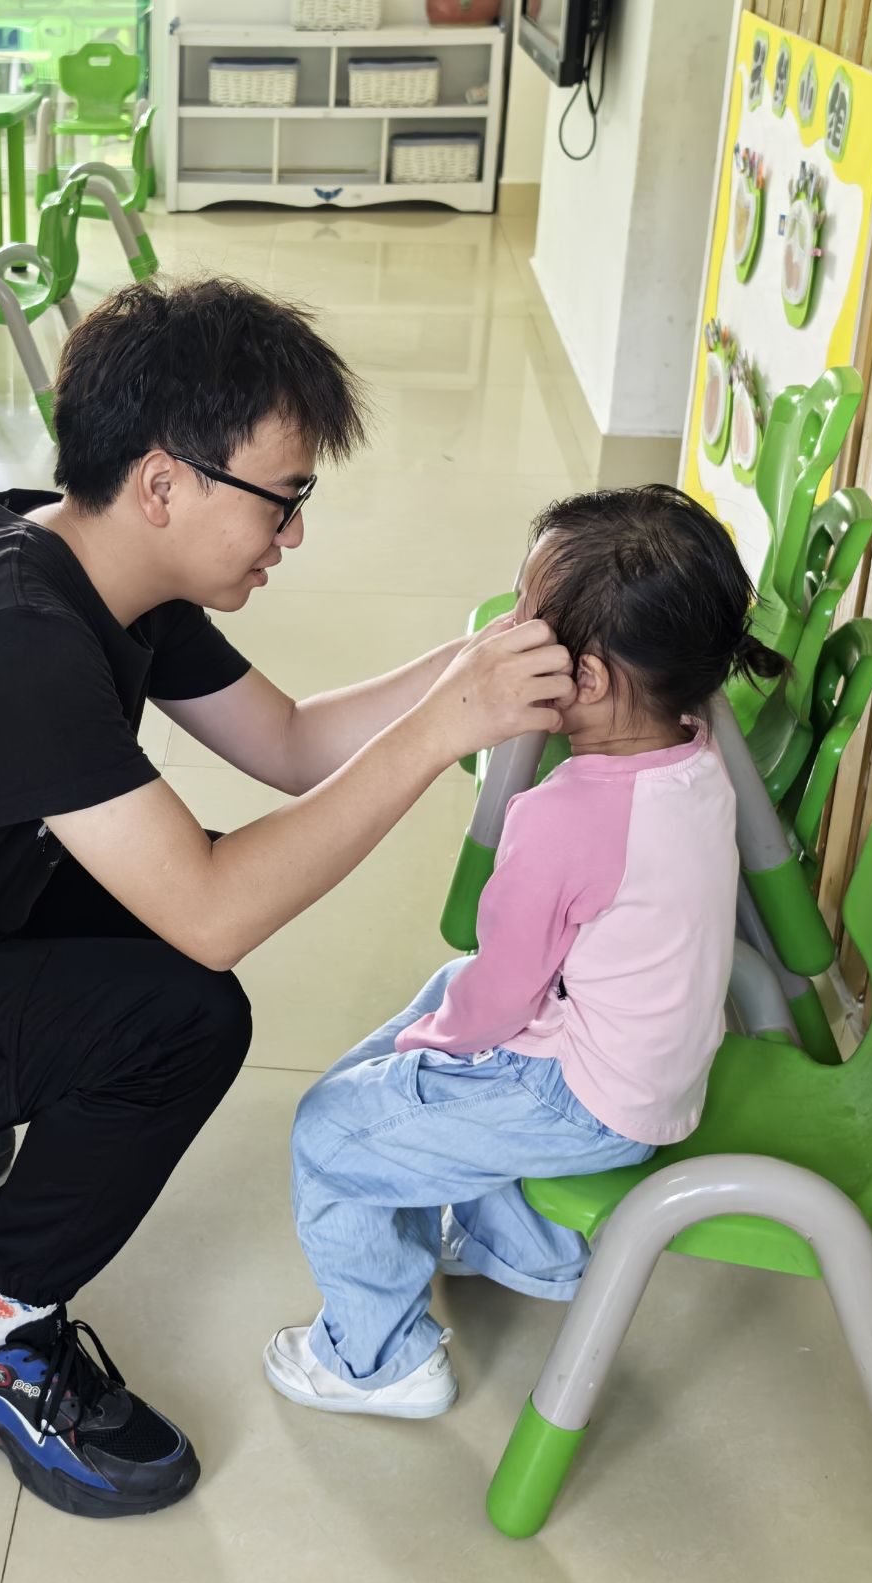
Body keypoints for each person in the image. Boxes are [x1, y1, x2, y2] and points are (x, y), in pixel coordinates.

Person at [0, 277, 574, 1518]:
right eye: (283, 498)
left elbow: (290, 743)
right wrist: (444, 731)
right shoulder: (10, 637)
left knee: (147, 903)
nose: (293, 533)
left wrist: (476, 664)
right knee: (182, 1014)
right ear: (164, 484)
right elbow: (215, 912)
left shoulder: (100, 566)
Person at [264, 486, 790, 1419]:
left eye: (524, 619)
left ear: (587, 680)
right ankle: (520, 1246)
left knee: (329, 1136)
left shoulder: (561, 817)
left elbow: (503, 991)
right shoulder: (697, 750)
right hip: (656, 1073)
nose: (504, 633)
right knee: (441, 997)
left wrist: (435, 1053)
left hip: (578, 1096)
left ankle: (375, 1360)